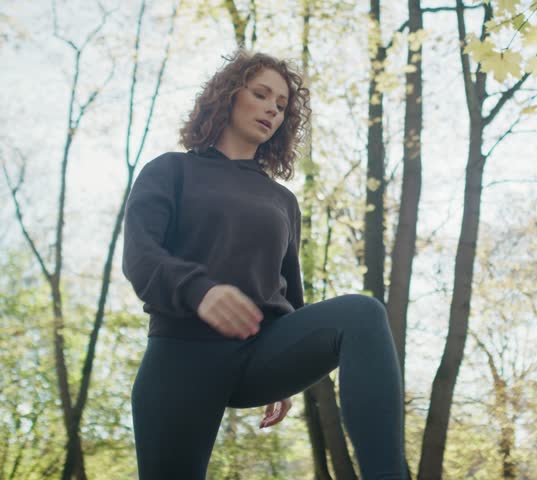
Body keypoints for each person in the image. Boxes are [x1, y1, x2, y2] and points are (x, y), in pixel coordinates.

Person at [122, 49, 405, 479]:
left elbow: (289, 291)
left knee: (362, 313)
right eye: (261, 94)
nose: (273, 108)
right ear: (229, 96)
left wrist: (292, 365)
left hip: (259, 354)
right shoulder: (171, 171)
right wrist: (201, 291)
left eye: (282, 104)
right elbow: (141, 257)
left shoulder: (282, 200)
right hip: (181, 358)